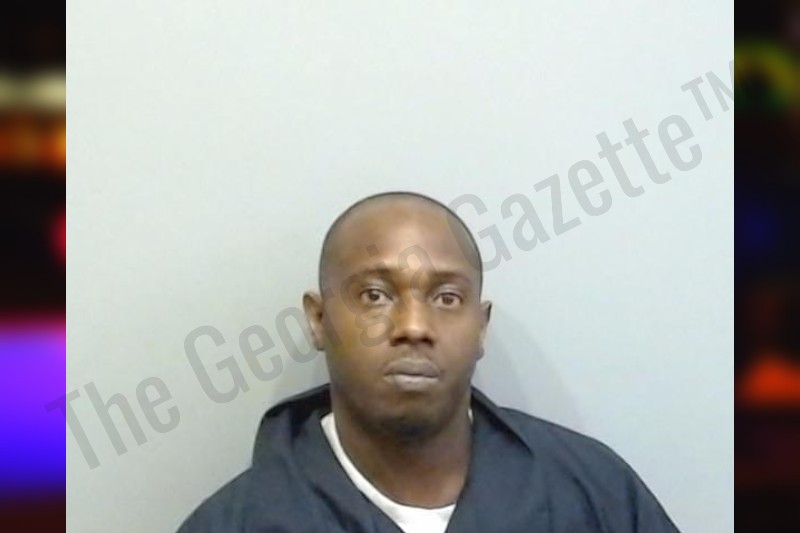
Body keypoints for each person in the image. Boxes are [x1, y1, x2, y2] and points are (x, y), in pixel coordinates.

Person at [177, 191, 680, 533]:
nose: (414, 326)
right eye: (374, 295)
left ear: (480, 326)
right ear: (318, 319)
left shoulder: (595, 493)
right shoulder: (233, 523)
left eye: (446, 298)